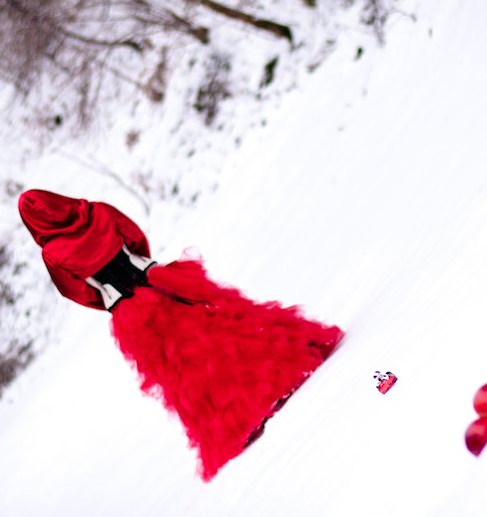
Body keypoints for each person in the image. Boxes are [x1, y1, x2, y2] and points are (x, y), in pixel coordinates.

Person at [18, 189, 344, 480]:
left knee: (184, 370)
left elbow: (75, 292)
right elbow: (134, 237)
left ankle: (237, 421)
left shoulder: (52, 254)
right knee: (223, 326)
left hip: (127, 309)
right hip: (157, 279)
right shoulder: (96, 211)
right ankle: (289, 359)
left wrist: (111, 301)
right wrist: (143, 268)